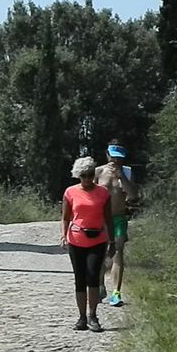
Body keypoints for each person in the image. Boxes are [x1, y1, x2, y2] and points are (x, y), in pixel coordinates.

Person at [61, 156, 114, 332]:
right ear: (78, 175)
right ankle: (81, 317)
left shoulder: (103, 193)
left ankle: (93, 315)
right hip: (76, 240)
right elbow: (65, 217)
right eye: (83, 175)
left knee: (93, 277)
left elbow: (109, 218)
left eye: (90, 174)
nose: (87, 179)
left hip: (98, 240)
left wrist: (112, 240)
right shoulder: (70, 192)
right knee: (79, 279)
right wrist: (63, 235)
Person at [94, 140, 138, 307]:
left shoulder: (127, 172)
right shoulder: (98, 172)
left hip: (119, 218)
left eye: (119, 159)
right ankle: (100, 286)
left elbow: (133, 195)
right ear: (107, 155)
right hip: (100, 219)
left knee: (117, 252)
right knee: (100, 255)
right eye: (113, 158)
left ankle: (116, 293)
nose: (116, 162)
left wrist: (122, 177)